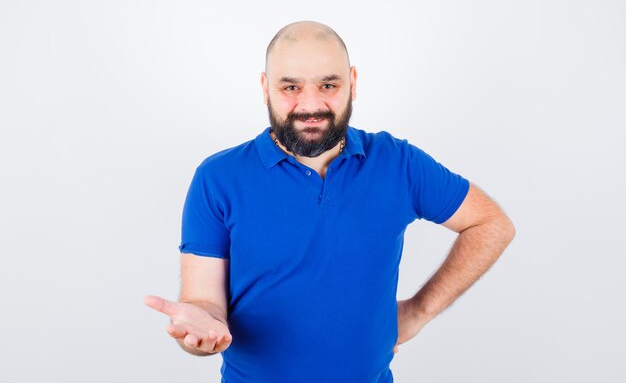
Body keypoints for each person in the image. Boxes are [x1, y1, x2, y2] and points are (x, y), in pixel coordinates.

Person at [144, 20, 515, 383]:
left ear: (352, 83)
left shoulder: (399, 163)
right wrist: (202, 332)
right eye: (290, 86)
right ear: (265, 87)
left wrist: (419, 311)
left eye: (328, 84)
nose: (311, 104)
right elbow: (204, 302)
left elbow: (490, 224)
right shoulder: (218, 177)